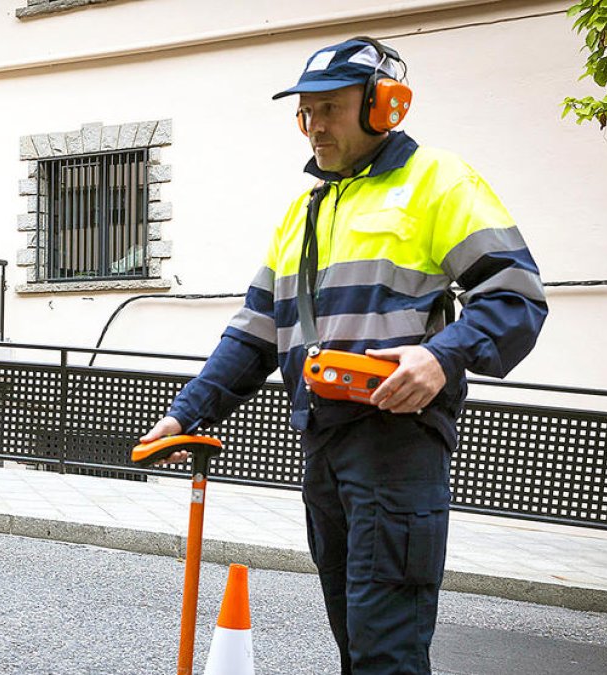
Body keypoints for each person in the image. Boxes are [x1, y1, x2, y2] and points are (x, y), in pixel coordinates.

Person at [140, 37, 547, 674]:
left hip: (397, 441)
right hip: (324, 441)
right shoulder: (305, 211)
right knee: (353, 638)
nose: (312, 127)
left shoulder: (437, 180)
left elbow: (516, 297)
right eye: (304, 112)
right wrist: (187, 412)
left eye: (328, 108)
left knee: (386, 645)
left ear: (383, 106)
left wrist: (441, 357)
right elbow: (253, 333)